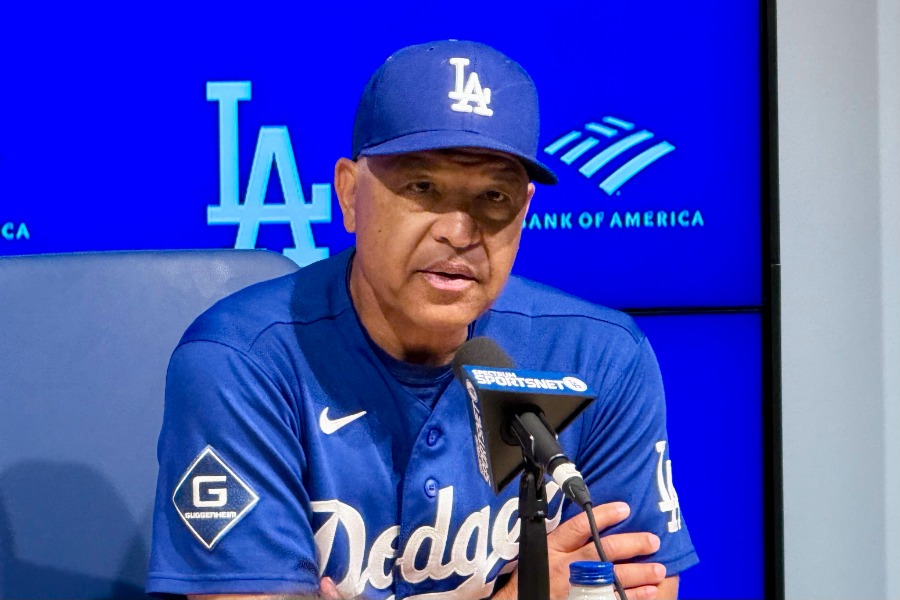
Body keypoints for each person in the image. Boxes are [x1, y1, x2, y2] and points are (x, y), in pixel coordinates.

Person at [147, 40, 698, 600]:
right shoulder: (242, 360)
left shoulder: (599, 358)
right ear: (349, 195)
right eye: (422, 188)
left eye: (494, 196)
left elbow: (645, 588)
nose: (459, 232)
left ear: (525, 210)